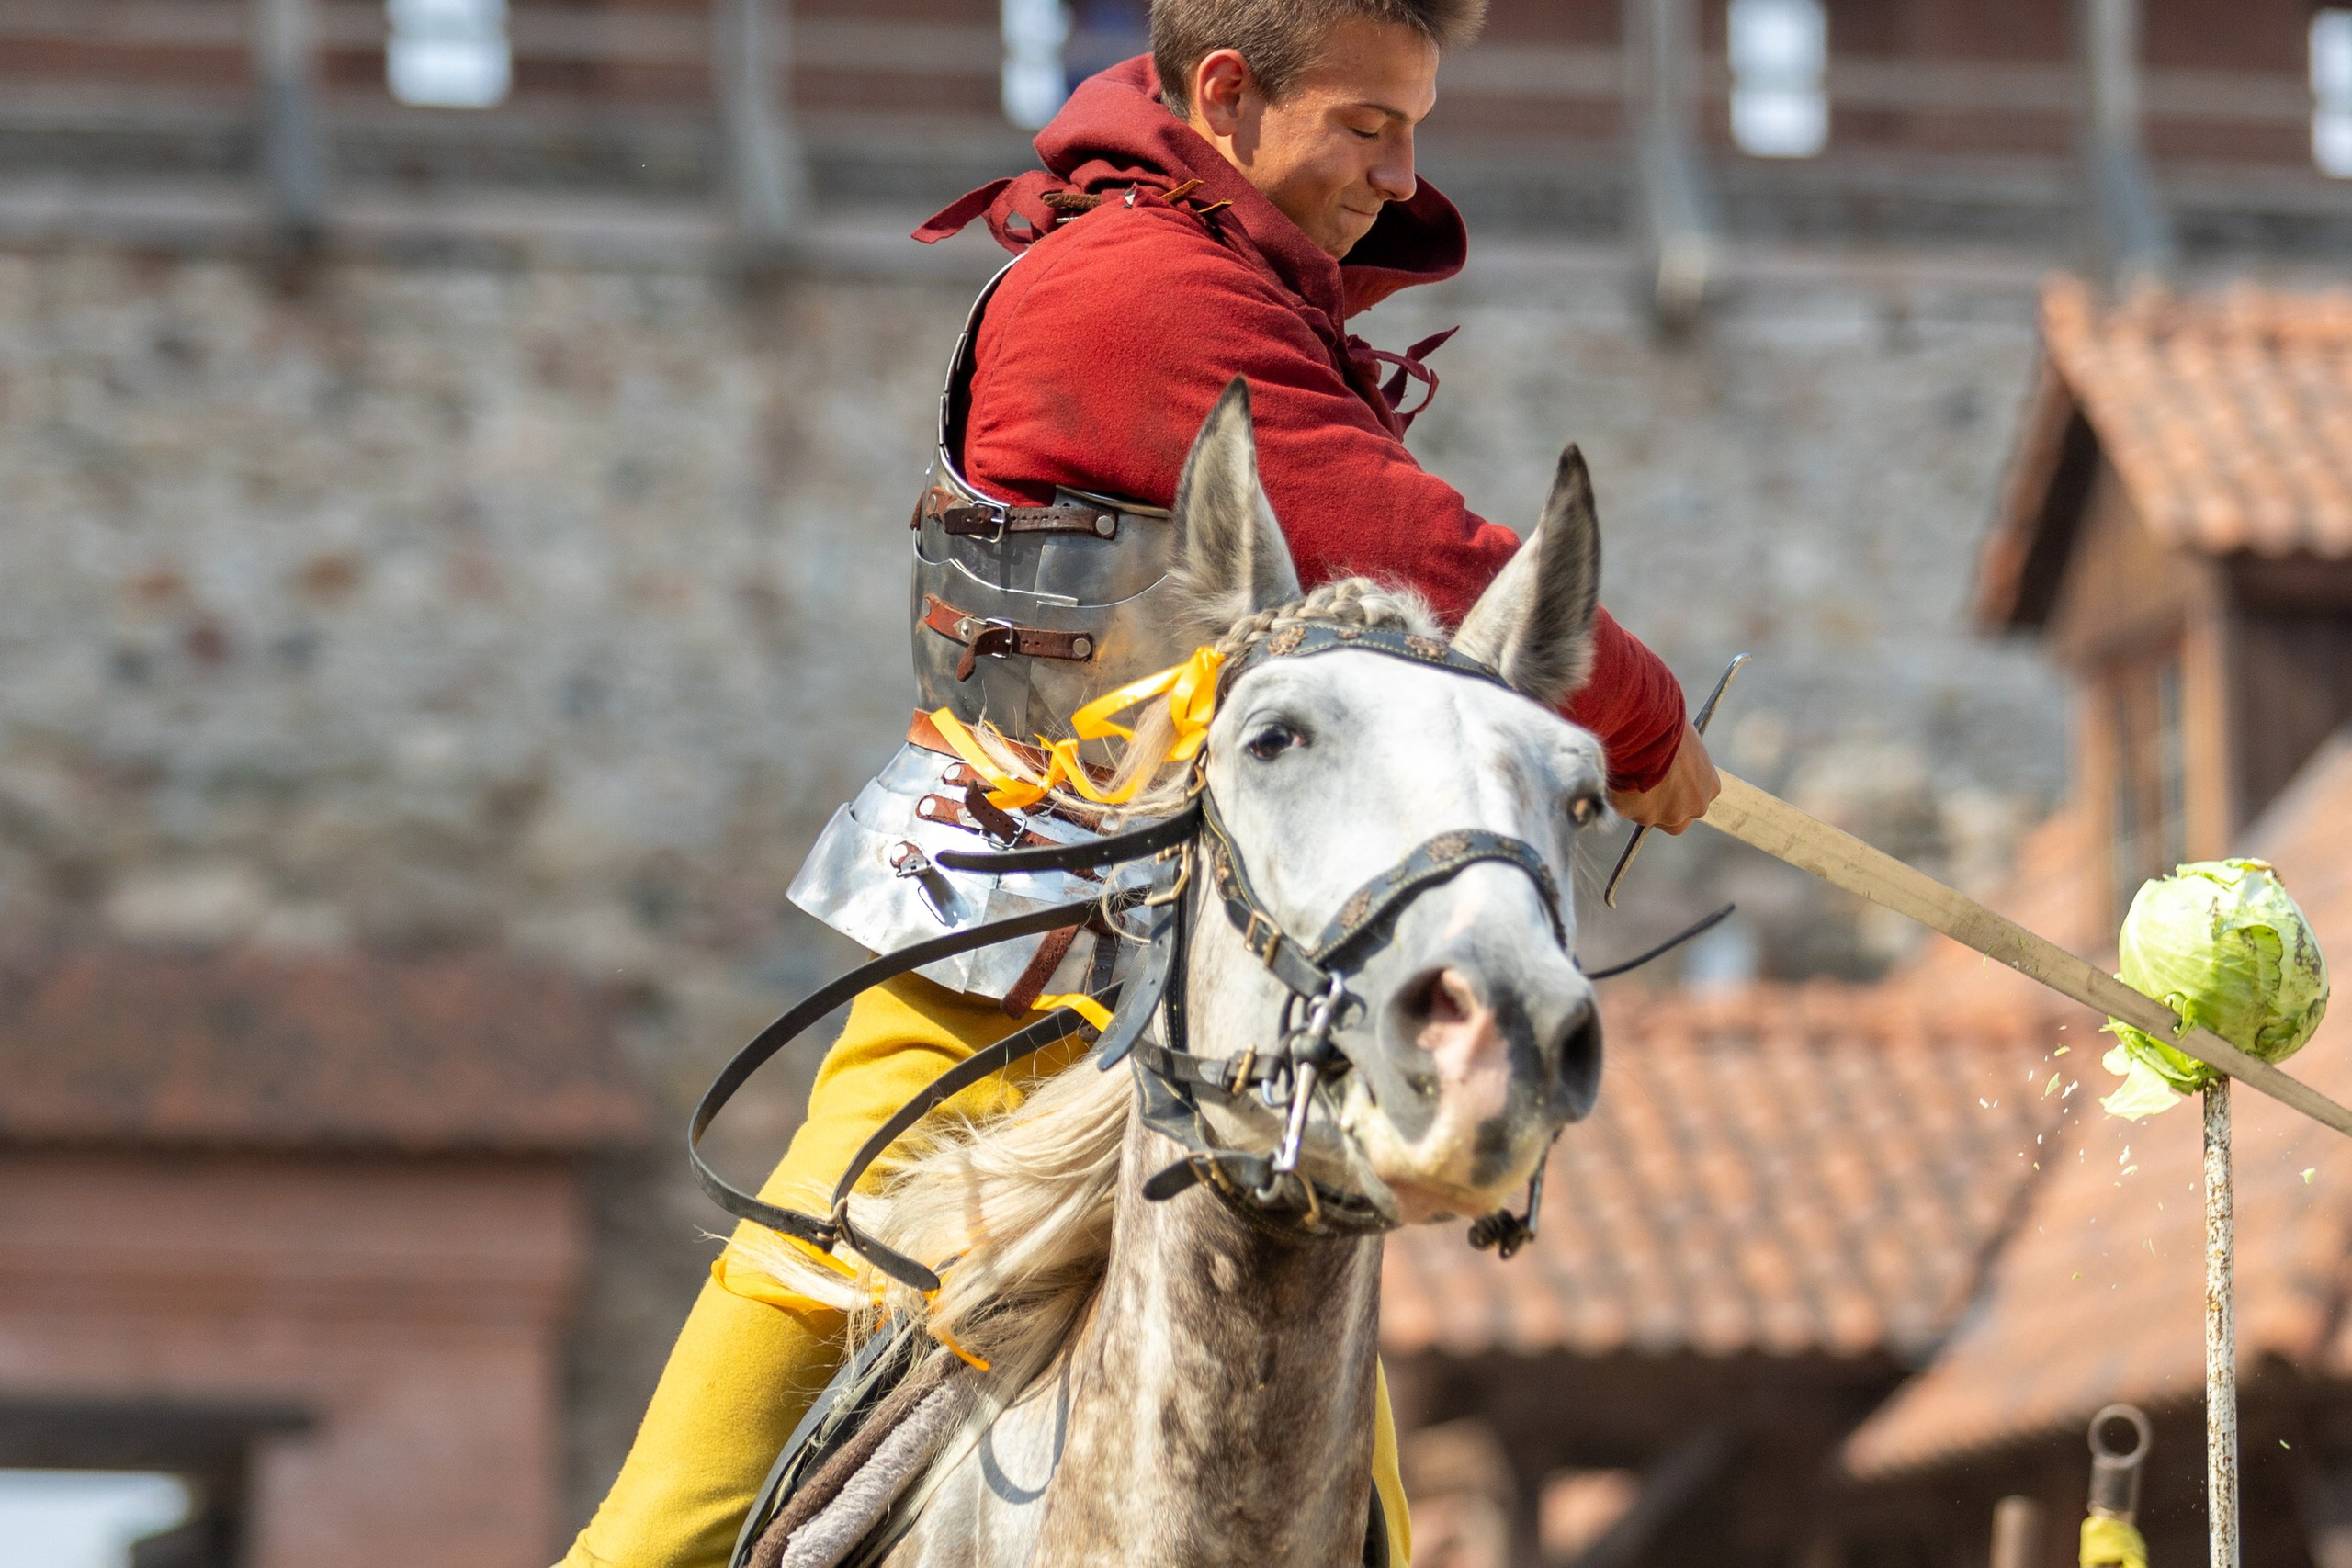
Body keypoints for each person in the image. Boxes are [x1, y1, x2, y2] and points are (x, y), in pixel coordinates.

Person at [560, 3, 1718, 1564]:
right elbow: (1420, 555)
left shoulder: (1219, 270)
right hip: (1007, 950)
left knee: (1325, 1430)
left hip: (1222, 971)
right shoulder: (1128, 293)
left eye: (1415, 127)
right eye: (1370, 126)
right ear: (1228, 95)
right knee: (744, 1390)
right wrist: (1639, 727)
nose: (1400, 172)